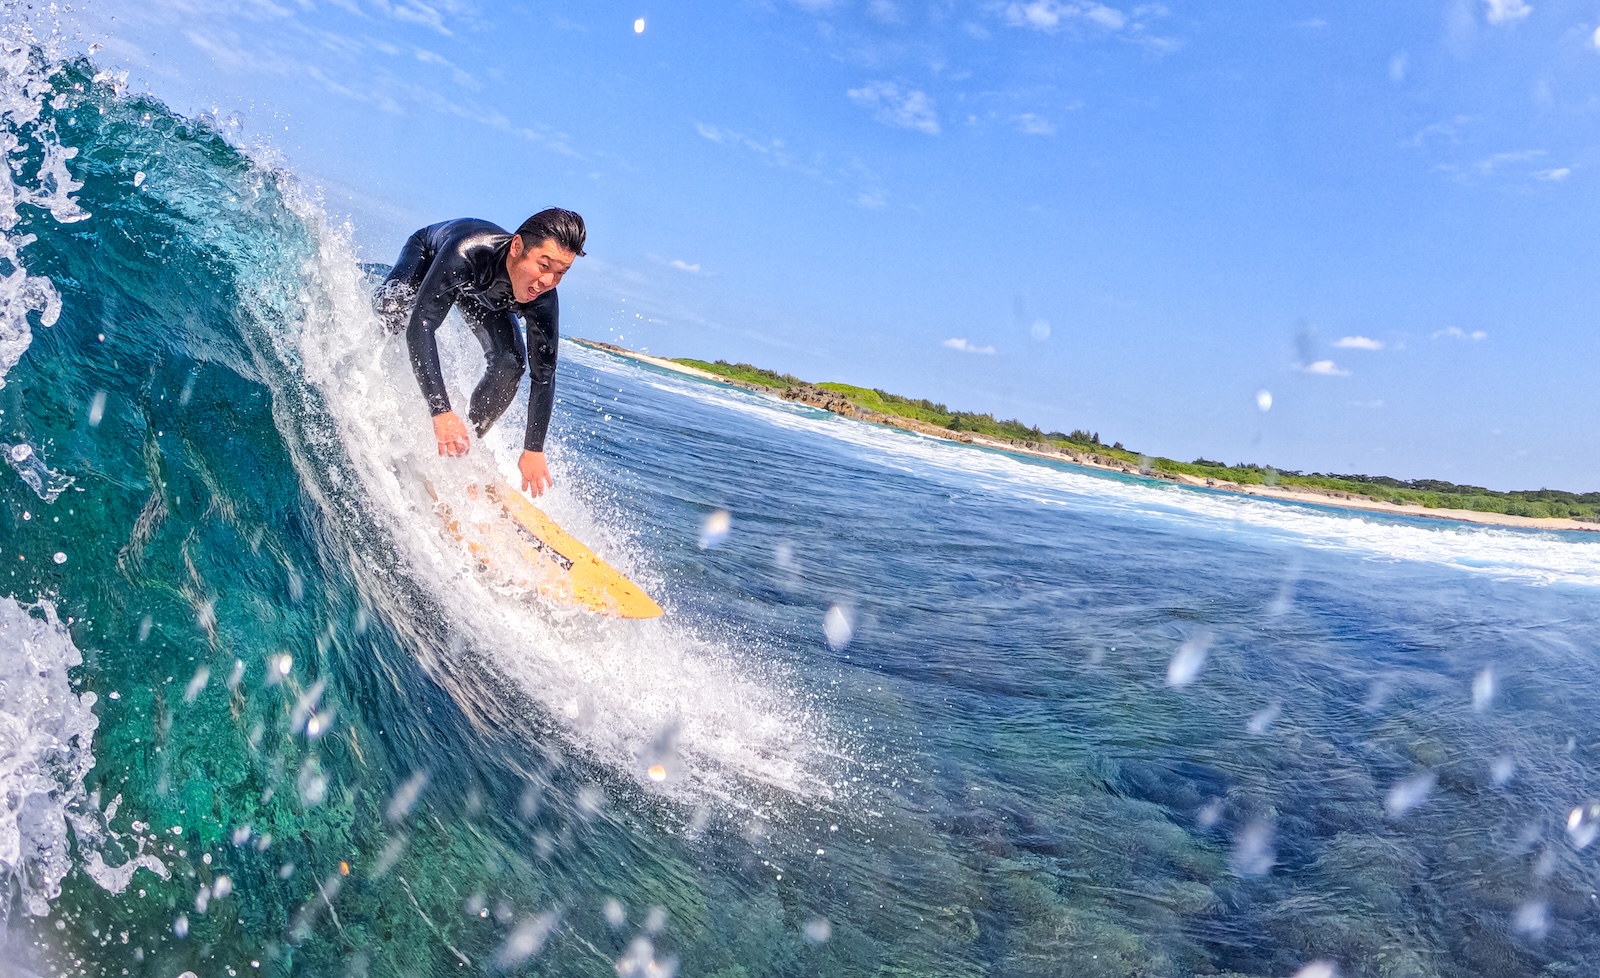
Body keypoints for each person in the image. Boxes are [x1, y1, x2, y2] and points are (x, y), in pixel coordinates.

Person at [373, 209, 585, 497]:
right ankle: (371, 376)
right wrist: (441, 411)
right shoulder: (467, 252)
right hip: (430, 255)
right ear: (517, 247)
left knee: (511, 364)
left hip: (480, 295)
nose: (549, 281)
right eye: (544, 265)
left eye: (561, 273)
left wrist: (533, 449)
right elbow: (422, 326)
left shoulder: (542, 297)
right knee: (393, 310)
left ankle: (463, 443)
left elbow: (543, 376)